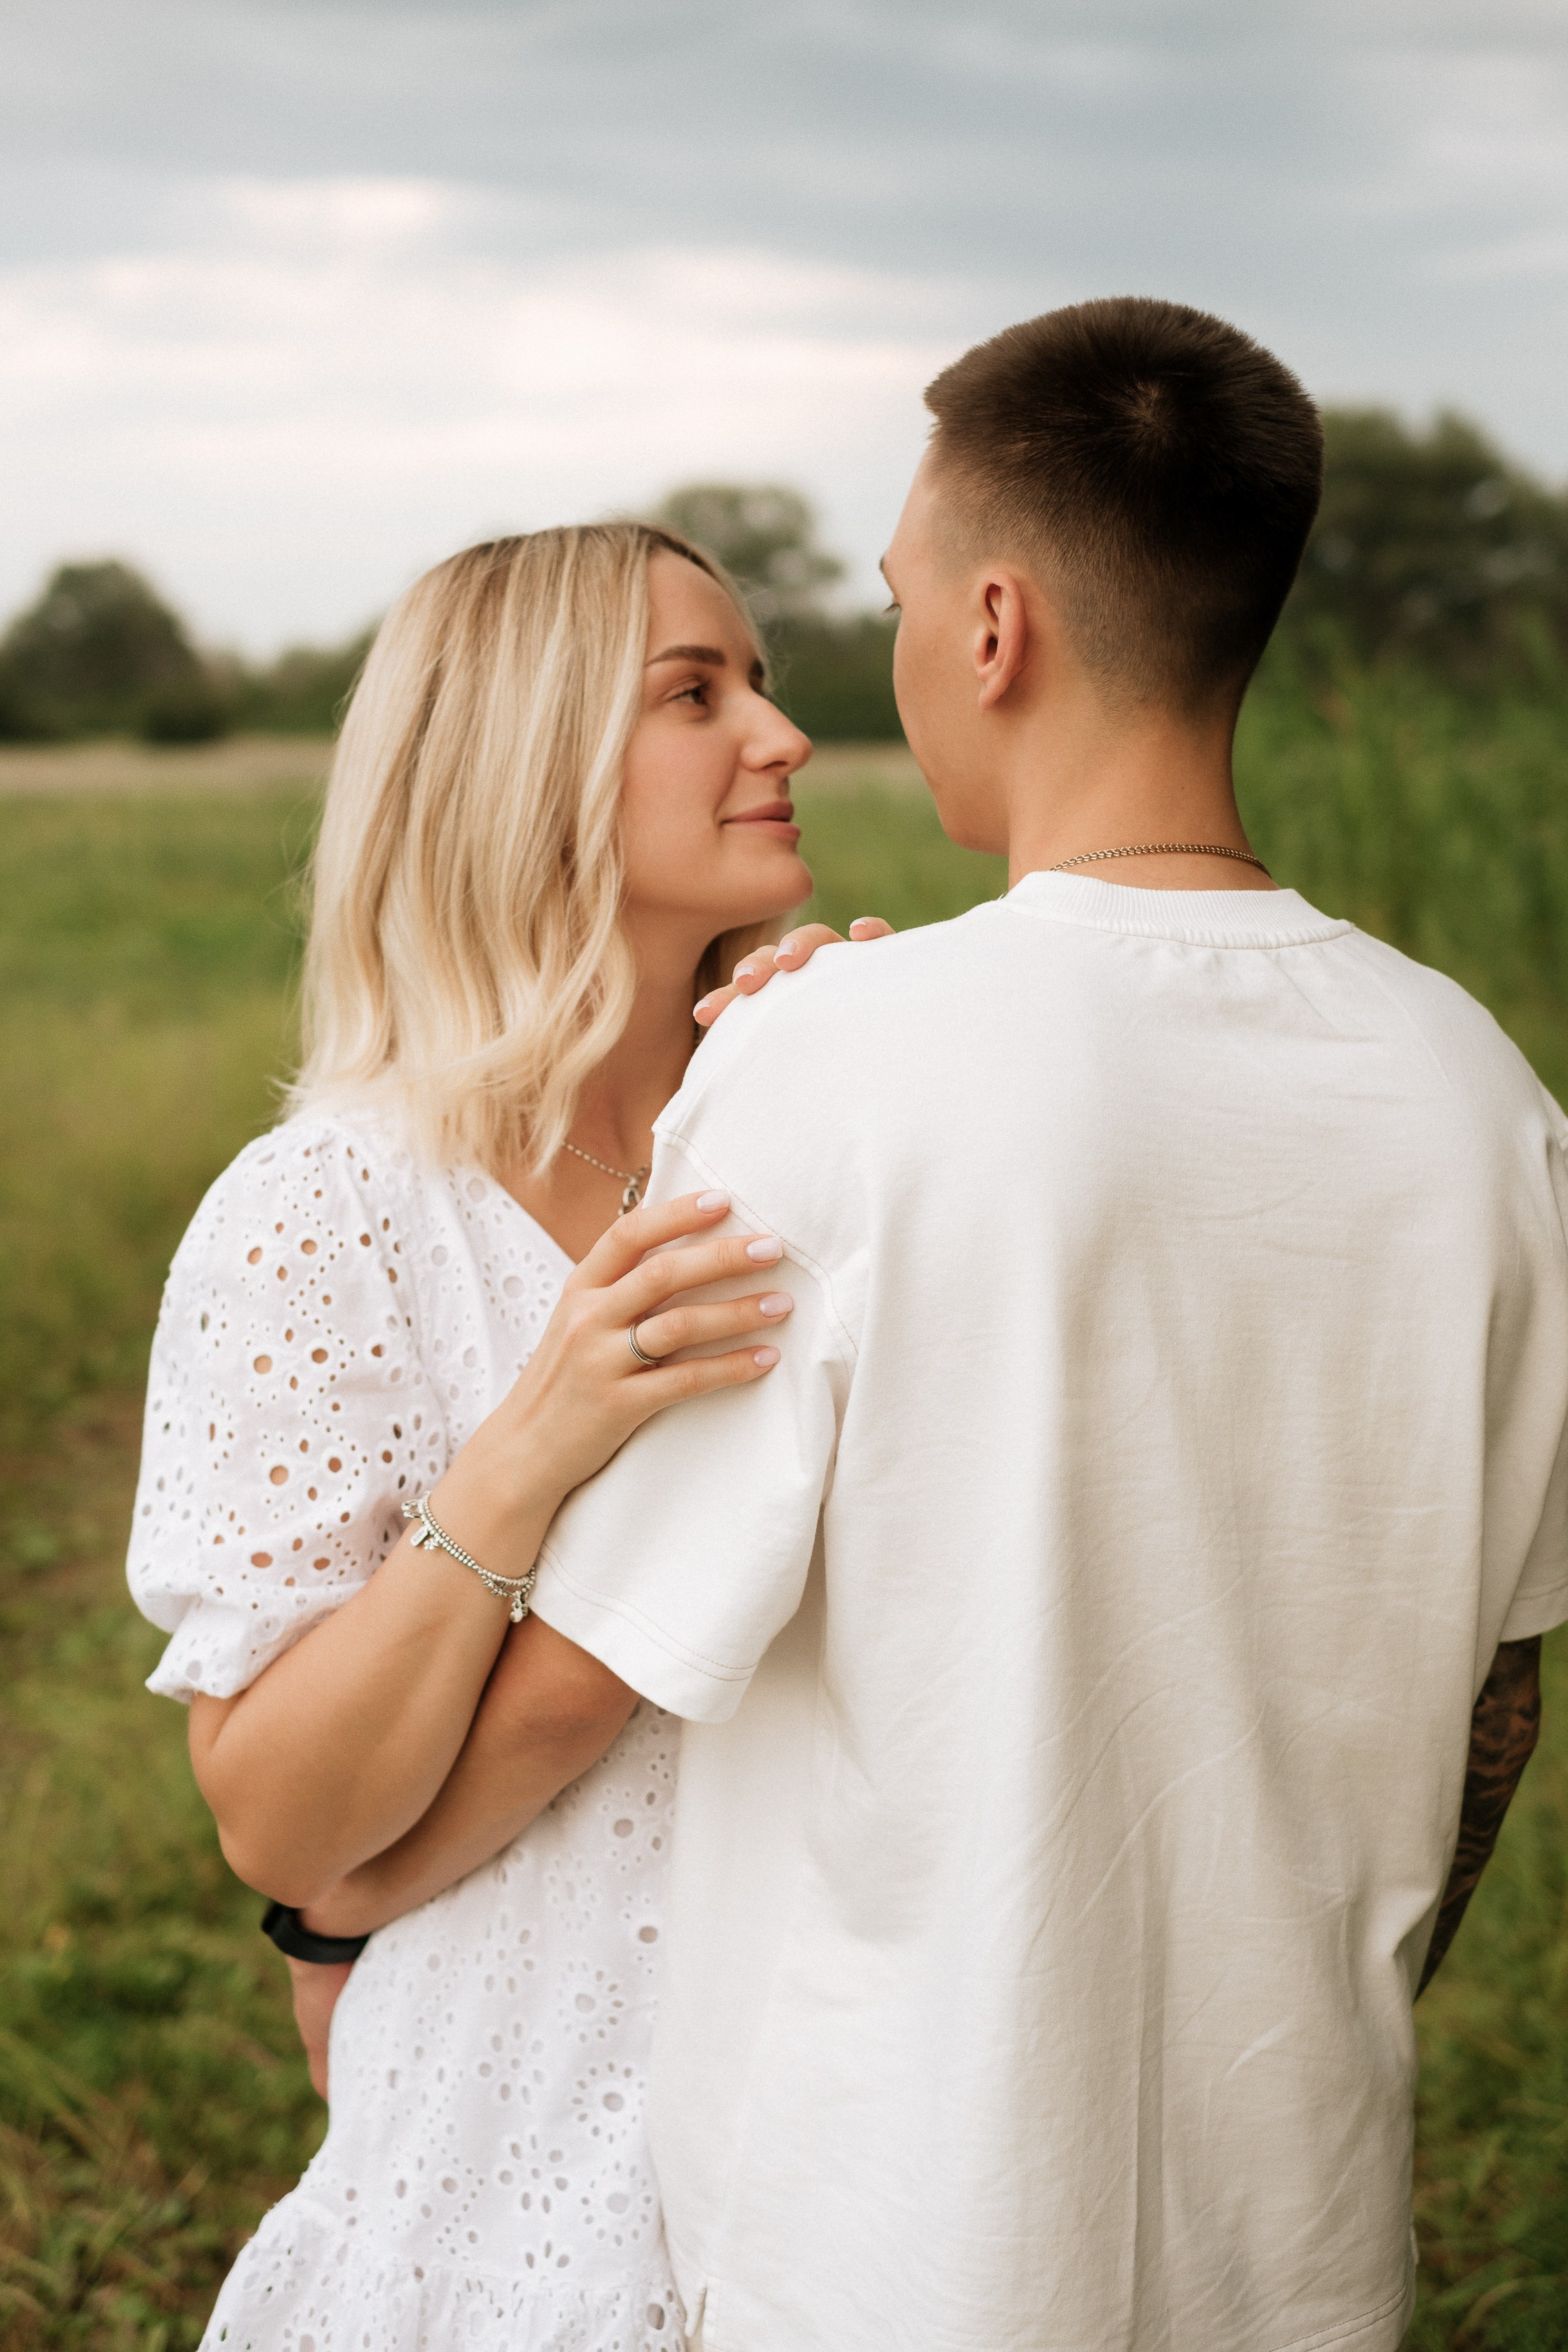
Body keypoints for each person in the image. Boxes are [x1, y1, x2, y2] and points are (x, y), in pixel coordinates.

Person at [522, 300, 1568, 2351]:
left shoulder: (826, 1060)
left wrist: (319, 1889)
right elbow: (1493, 1706)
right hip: (1297, 2240)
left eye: (899, 601)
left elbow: (606, 1668)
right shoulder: (1489, 1104)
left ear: (992, 627)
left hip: (871, 2240)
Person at [125, 520, 887, 2349]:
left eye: (761, 685)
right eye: (696, 694)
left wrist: (876, 1092)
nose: (780, 738)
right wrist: (525, 1448)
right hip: (514, 2155)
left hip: (877, 2124)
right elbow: (289, 1827)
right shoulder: (326, 1215)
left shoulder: (844, 1108)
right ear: (522, 765)